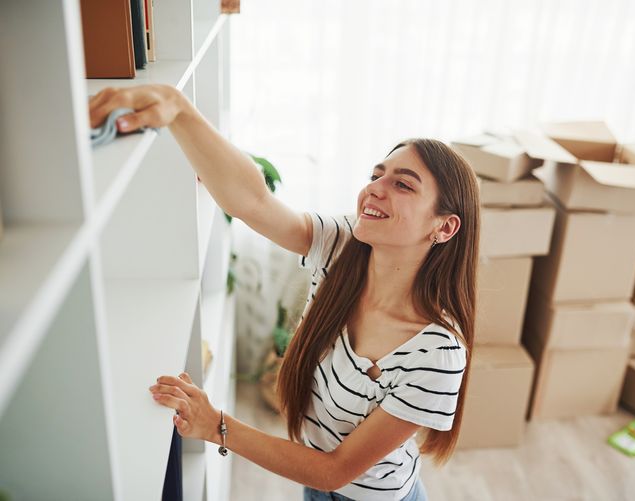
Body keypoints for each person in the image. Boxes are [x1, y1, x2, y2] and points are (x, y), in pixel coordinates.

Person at [89, 84, 479, 501]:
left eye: (403, 185)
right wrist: (178, 109)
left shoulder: (438, 352)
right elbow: (254, 202)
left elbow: (335, 471)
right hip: (316, 488)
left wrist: (215, 424)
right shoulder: (347, 245)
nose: (375, 189)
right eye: (375, 175)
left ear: (444, 227)